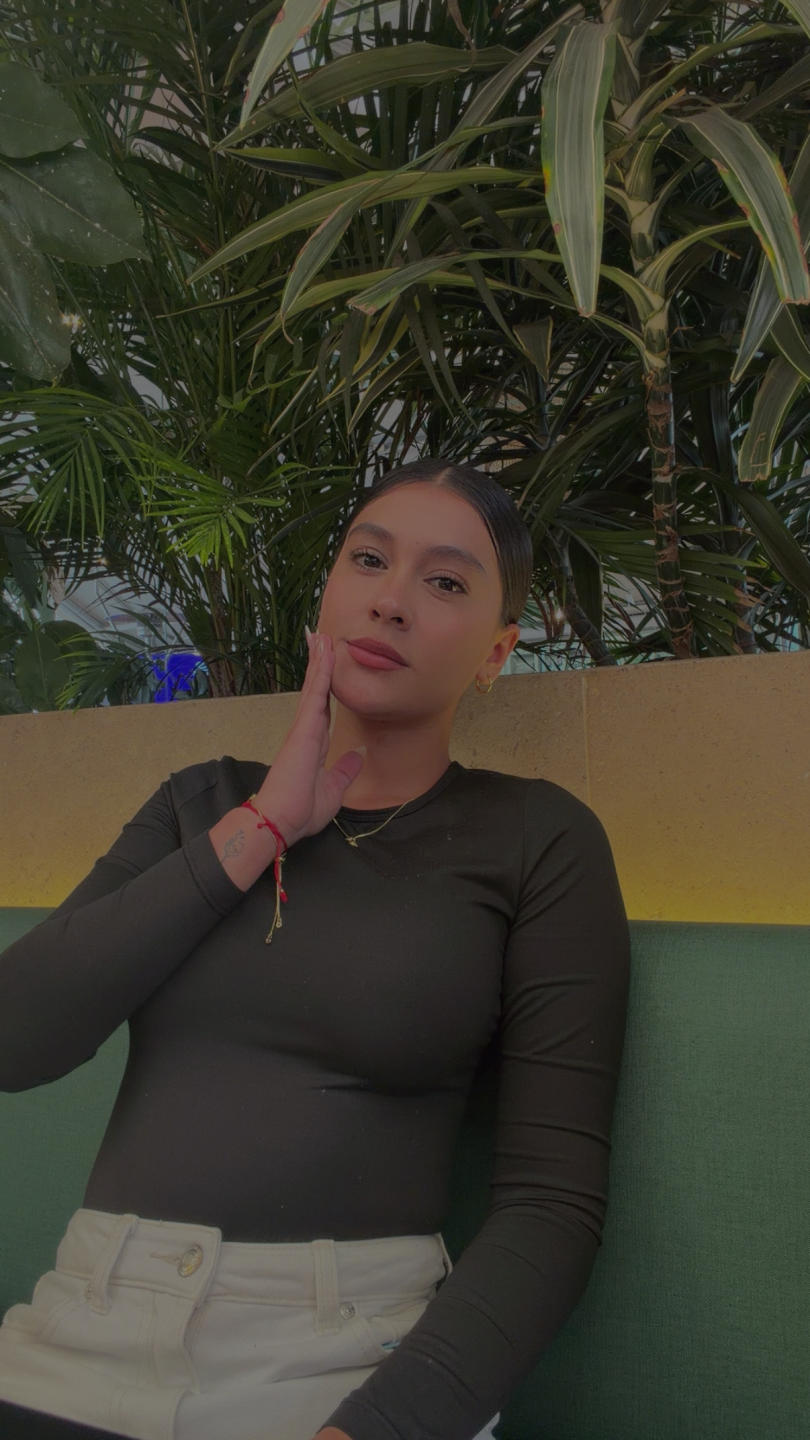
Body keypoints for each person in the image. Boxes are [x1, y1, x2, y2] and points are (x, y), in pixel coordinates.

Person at [0, 459, 631, 1440]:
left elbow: (551, 1208)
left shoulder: (537, 839)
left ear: (497, 651)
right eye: (368, 561)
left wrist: (375, 1427)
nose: (391, 600)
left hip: (344, 1359)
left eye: (445, 581)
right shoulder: (201, 803)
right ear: (330, 593)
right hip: (81, 1332)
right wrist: (263, 825)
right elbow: (15, 1039)